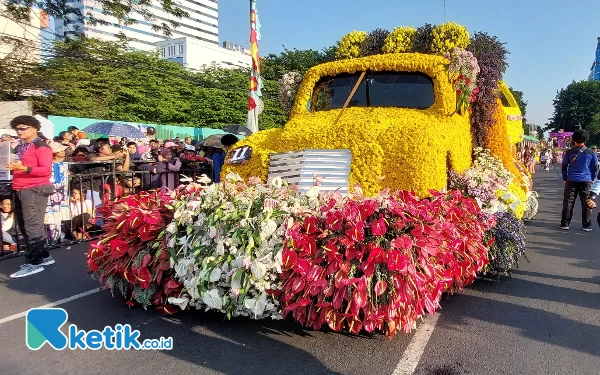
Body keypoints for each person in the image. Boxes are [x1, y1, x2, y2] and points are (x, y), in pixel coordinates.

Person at [7, 116, 55, 278]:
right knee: (27, 224)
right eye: (17, 128)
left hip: (34, 189)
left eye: (23, 128)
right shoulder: (22, 146)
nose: (19, 131)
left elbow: (45, 170)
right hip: (21, 187)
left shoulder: (41, 146)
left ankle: (34, 262)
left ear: (34, 128)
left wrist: (24, 168)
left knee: (31, 225)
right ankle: (43, 256)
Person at [559, 129, 599, 231]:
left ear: (573, 140)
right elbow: (595, 168)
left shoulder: (569, 152)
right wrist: (593, 178)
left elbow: (564, 166)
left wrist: (565, 178)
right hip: (586, 180)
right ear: (585, 139)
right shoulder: (591, 152)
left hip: (571, 179)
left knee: (568, 201)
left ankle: (565, 224)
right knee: (586, 201)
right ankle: (586, 225)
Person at [44, 142, 70, 247]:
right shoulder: (49, 165)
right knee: (51, 218)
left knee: (59, 217)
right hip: (52, 195)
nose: (63, 152)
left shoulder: (63, 164)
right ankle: (52, 239)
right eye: (60, 150)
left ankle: (58, 237)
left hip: (62, 194)